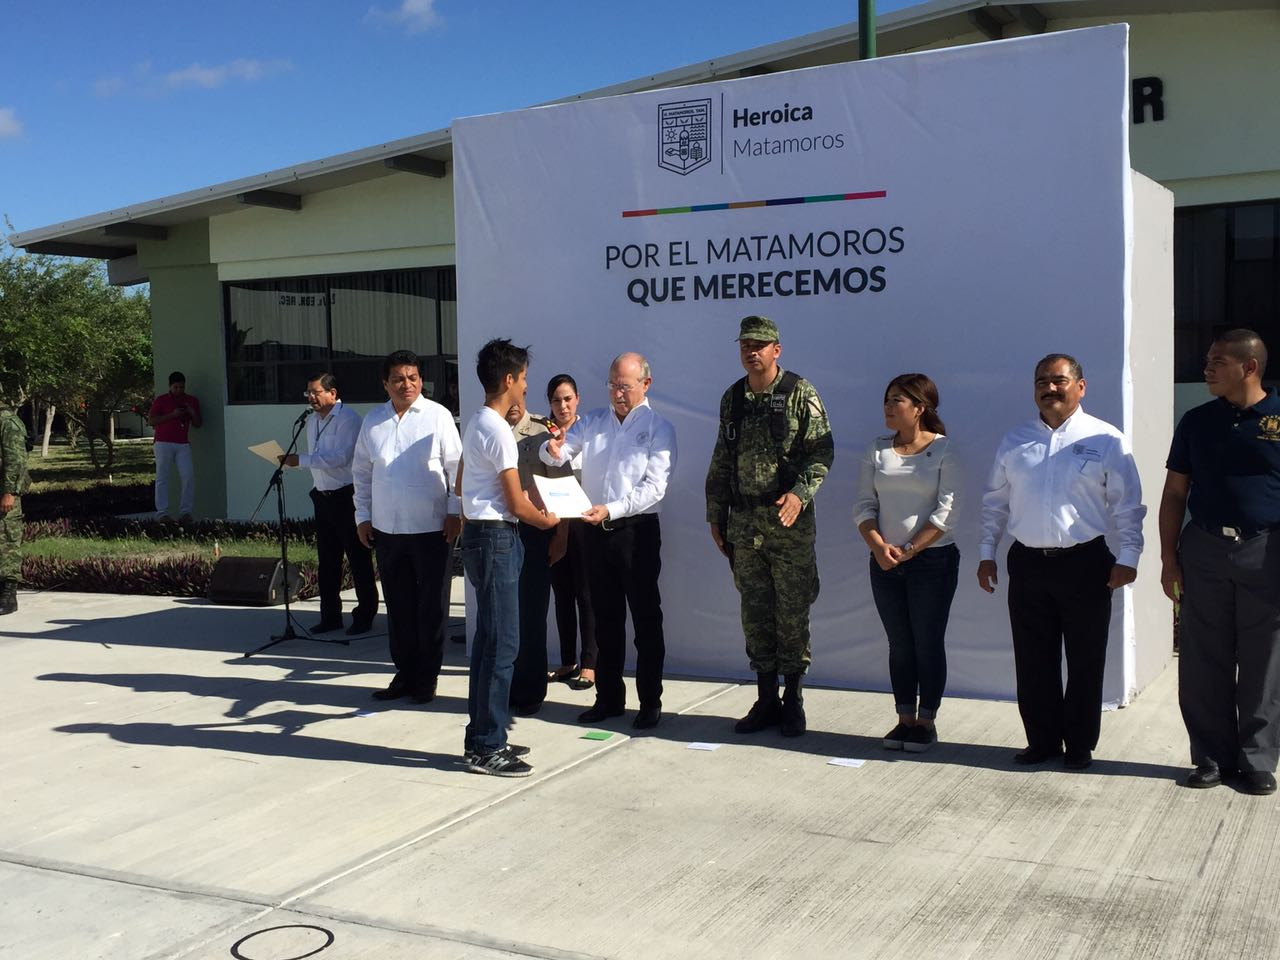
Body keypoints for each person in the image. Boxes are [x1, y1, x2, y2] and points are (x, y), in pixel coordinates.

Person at [978, 353, 1145, 770]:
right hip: (1029, 563)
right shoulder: (1015, 440)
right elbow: (995, 503)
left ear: (1081, 386)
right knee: (1033, 659)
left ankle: (1080, 745)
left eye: (1059, 380)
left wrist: (1129, 556)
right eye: (1042, 382)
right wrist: (987, 553)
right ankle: (1042, 741)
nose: (1049, 388)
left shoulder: (1106, 439)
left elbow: (1128, 505)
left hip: (1086, 563)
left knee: (1086, 659)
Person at [1159, 329, 1280, 796]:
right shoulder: (1196, 421)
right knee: (1202, 658)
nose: (1206, 368)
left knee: (1264, 661)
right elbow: (1175, 493)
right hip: (1205, 548)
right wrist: (1169, 560)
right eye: (1208, 361)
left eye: (1217, 362)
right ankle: (1210, 757)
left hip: (1266, 552)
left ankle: (1258, 759)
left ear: (1249, 367)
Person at [705, 316, 834, 737]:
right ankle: (765, 699)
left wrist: (799, 494)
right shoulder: (733, 398)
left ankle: (792, 698)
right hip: (745, 524)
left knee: (792, 612)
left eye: (760, 344)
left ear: (776, 349)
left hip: (788, 524)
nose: (751, 351)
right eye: (745, 344)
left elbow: (821, 452)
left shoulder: (800, 392)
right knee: (755, 614)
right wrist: (715, 513)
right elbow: (722, 458)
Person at [542, 352, 677, 730]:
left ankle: (650, 701)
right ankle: (609, 698)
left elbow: (654, 488)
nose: (618, 393)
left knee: (646, 620)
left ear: (645, 385)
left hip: (636, 533)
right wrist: (551, 450)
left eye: (625, 386)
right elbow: (561, 453)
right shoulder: (595, 422)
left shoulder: (659, 428)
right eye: (613, 385)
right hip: (594, 534)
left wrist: (612, 509)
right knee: (606, 620)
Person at [461, 338, 558, 776]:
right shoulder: (497, 429)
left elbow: (463, 483)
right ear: (508, 379)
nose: (525, 386)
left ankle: (486, 732)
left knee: (488, 642)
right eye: (522, 379)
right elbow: (517, 503)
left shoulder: (477, 421)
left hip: (485, 536)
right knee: (503, 645)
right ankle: (486, 745)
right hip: (497, 537)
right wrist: (548, 520)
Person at [854, 374, 959, 752]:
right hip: (885, 562)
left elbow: (947, 511)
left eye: (897, 400)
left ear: (920, 407)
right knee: (899, 644)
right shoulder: (877, 450)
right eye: (887, 399)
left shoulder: (944, 450)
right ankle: (904, 720)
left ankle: (927, 721)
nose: (888, 406)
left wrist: (912, 548)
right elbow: (864, 504)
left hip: (933, 562)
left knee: (927, 641)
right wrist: (879, 546)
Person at [353, 350, 461, 704]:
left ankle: (426, 678)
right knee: (398, 607)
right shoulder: (373, 421)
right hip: (387, 530)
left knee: (431, 607)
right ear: (385, 383)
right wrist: (362, 516)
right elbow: (362, 473)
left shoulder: (438, 416)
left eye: (413, 377)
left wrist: (454, 512)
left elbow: (455, 469)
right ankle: (405, 671)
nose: (407, 384)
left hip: (431, 528)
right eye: (399, 379)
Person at [278, 373, 379, 636]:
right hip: (322, 497)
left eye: (316, 392)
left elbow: (341, 458)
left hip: (347, 497)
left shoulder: (349, 419)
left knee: (358, 559)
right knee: (327, 561)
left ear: (332, 393)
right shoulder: (311, 422)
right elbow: (318, 459)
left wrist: (300, 460)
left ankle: (365, 615)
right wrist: (299, 461)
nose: (311, 397)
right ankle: (330, 616)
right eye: (308, 393)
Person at [545, 374, 597, 692]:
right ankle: (567, 661)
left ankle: (590, 663)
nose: (562, 405)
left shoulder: (590, 431)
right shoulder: (544, 435)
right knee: (561, 594)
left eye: (567, 399)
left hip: (585, 525)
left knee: (586, 594)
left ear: (577, 398)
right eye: (556, 400)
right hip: (554, 523)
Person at [506, 399, 554, 715]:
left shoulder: (541, 429)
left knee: (532, 615)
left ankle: (531, 690)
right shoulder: (489, 427)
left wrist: (560, 536)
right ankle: (506, 686)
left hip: (535, 529)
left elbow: (561, 483)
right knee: (505, 615)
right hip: (500, 530)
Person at [148, 371, 201, 520]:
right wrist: (173, 414)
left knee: (188, 476)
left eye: (182, 387)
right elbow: (151, 421)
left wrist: (191, 411)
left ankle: (186, 511)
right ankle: (162, 513)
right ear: (170, 386)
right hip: (163, 443)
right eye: (176, 387)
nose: (179, 390)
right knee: (162, 477)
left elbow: (198, 424)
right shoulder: (161, 400)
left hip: (183, 444)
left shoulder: (191, 400)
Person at [0, 401, 29, 615]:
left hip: (4, 492)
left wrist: (10, 492)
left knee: (6, 541)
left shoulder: (9, 423)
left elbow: (16, 460)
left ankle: (8, 595)